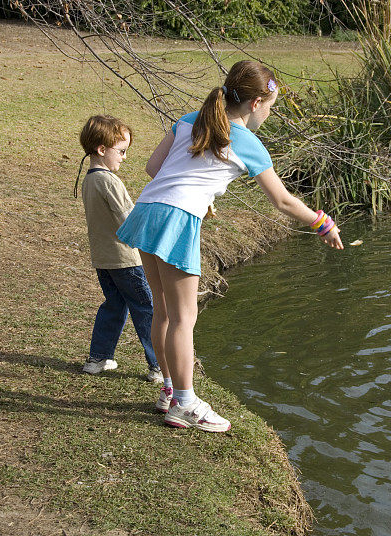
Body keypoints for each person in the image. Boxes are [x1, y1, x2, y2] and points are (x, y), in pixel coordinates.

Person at [117, 60, 343, 433]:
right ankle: (186, 404)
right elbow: (283, 201)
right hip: (176, 220)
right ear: (256, 103)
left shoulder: (191, 118)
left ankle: (170, 390)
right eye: (270, 107)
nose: (268, 114)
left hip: (148, 209)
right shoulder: (249, 144)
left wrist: (200, 192)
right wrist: (323, 223)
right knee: (184, 319)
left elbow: (154, 168)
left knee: (164, 310)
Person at [78, 115, 162, 383]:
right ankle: (159, 364)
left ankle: (98, 358)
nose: (124, 158)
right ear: (102, 150)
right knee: (146, 308)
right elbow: (129, 219)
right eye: (122, 151)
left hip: (103, 259)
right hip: (126, 260)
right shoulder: (109, 181)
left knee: (114, 304)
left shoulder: (89, 180)